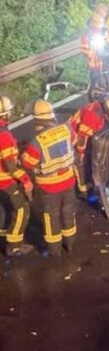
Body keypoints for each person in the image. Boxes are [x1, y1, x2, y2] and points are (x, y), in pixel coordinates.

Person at [21, 100, 77, 254]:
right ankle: (70, 244)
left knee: (51, 217)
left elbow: (27, 163)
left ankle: (54, 249)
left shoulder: (37, 142)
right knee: (68, 212)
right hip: (68, 180)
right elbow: (74, 141)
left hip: (49, 187)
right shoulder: (66, 129)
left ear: (37, 119)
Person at [70, 94, 109, 195]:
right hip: (74, 139)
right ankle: (84, 190)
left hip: (84, 134)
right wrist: (82, 153)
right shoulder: (93, 116)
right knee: (81, 163)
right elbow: (82, 139)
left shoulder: (100, 106)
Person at [0, 94, 34, 258]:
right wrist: (25, 180)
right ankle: (14, 246)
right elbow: (10, 165)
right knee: (21, 209)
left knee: (3, 209)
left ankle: (3, 233)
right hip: (4, 180)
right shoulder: (4, 135)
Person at [80, 3, 109, 85]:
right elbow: (83, 48)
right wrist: (90, 54)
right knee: (95, 82)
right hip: (95, 64)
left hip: (107, 60)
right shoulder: (87, 34)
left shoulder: (105, 31)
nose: (96, 26)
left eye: (98, 24)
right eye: (94, 24)